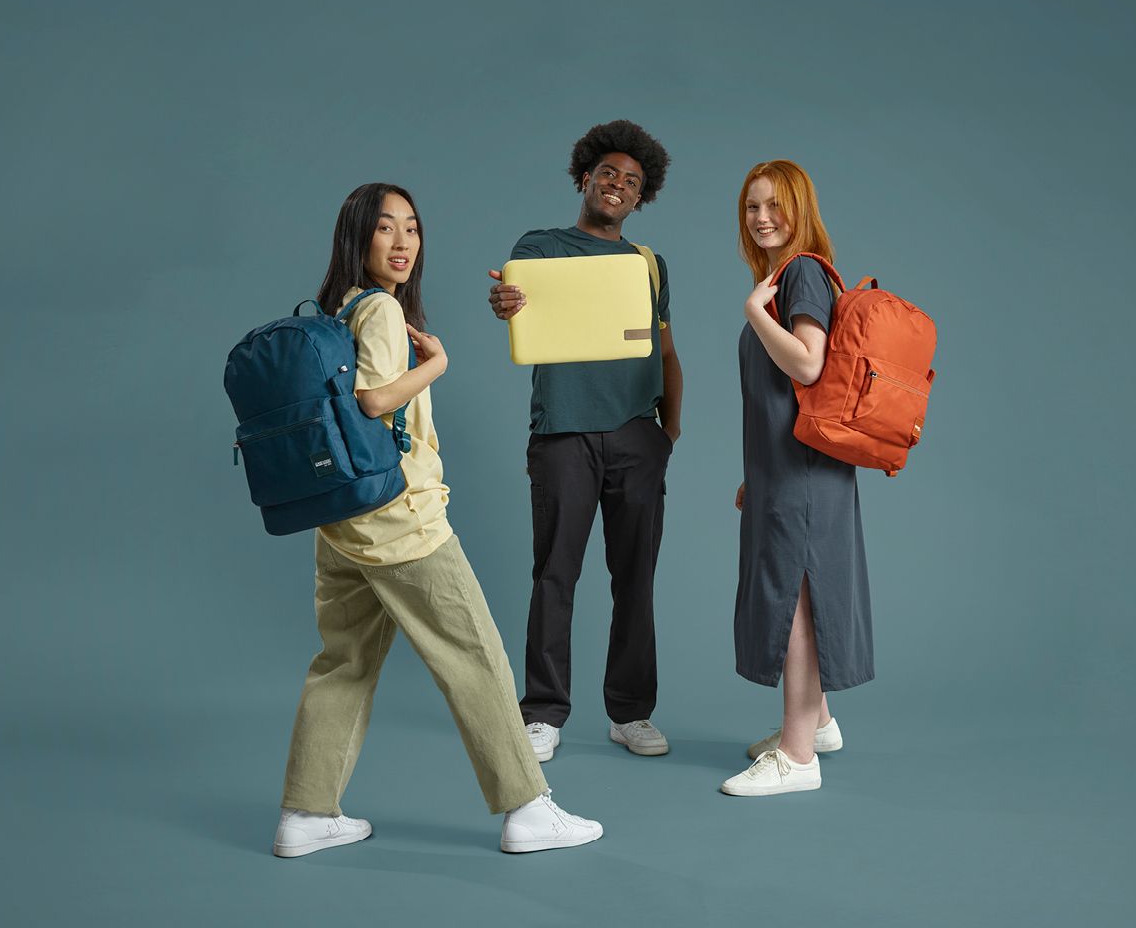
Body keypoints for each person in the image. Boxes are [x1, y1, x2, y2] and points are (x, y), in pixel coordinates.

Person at [275, 183, 602, 857]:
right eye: (386, 229)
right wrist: (438, 366)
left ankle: (306, 814)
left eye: (413, 230)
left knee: (343, 663)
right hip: (403, 523)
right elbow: (371, 403)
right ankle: (526, 808)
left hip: (342, 525)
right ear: (357, 238)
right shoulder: (383, 313)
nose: (403, 243)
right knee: (477, 657)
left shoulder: (339, 308)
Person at [485, 120, 681, 763]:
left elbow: (665, 350)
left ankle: (631, 713)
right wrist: (506, 303)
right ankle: (542, 714)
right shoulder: (540, 247)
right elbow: (518, 305)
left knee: (636, 580)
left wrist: (667, 432)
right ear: (585, 178)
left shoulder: (649, 264)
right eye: (608, 174)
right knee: (555, 575)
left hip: (636, 435)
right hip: (563, 434)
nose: (618, 186)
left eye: (632, 181)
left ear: (640, 196)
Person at [720, 160, 871, 797]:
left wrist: (756, 310)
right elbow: (779, 397)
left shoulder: (802, 272)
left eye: (774, 206)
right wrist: (756, 475)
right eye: (752, 207)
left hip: (804, 474)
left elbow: (807, 366)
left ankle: (798, 756)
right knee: (793, 589)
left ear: (800, 209)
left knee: (795, 599)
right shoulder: (785, 277)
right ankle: (818, 723)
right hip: (786, 471)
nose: (761, 218)